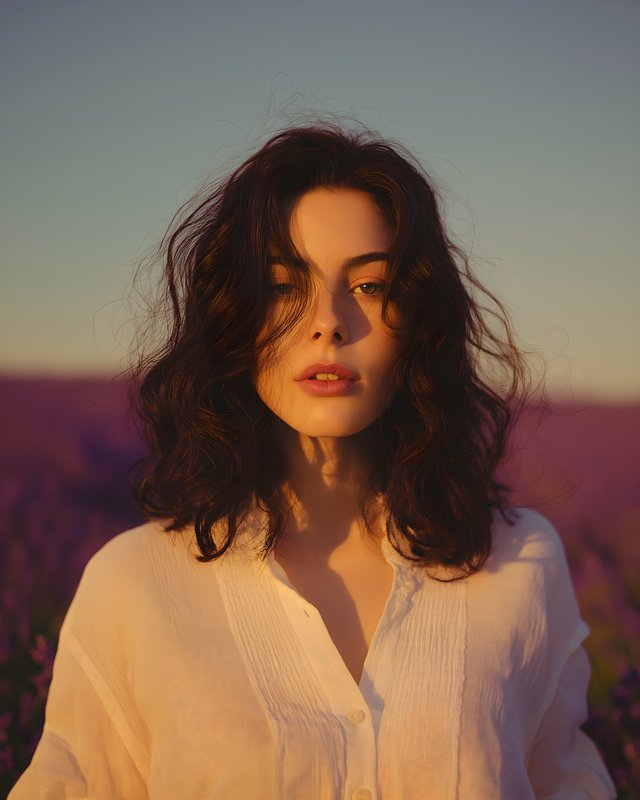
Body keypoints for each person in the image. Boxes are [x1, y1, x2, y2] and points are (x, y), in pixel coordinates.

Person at [10, 122, 616, 799]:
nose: (328, 321)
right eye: (282, 284)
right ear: (234, 315)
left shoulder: (521, 565)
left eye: (369, 287)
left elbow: (565, 779)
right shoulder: (132, 585)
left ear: (419, 319)